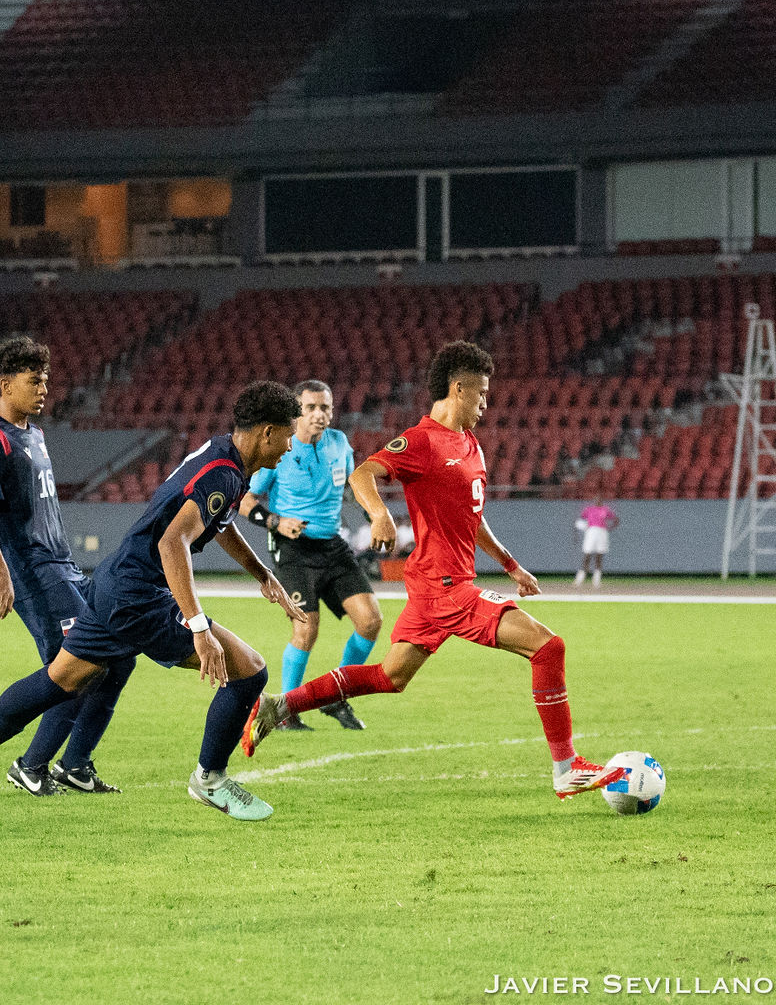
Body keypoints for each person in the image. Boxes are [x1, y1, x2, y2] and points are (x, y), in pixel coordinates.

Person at [243, 341, 626, 802]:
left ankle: (278, 705)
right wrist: (379, 515)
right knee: (549, 648)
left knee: (390, 677)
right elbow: (362, 474)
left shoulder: (471, 445)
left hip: (437, 587)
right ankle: (566, 769)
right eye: (481, 393)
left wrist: (510, 565)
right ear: (457, 388)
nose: (486, 403)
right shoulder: (421, 441)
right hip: (445, 587)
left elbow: (473, 517)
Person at [0, 380, 307, 823]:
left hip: (115, 583)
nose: (289, 446)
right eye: (288, 435)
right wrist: (200, 629)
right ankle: (210, 780)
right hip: (139, 595)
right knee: (248, 671)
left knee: (62, 680)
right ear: (266, 431)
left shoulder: (224, 456)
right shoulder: (224, 474)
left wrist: (263, 575)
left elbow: (218, 523)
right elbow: (174, 544)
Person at [0, 335, 131, 797]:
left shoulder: (35, 434)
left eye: (46, 380)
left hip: (63, 566)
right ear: (5, 384)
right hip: (35, 573)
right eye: (34, 381)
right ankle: (30, 766)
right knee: (77, 667)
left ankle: (75, 765)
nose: (44, 389)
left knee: (116, 657)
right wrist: (0, 571)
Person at [239, 380, 382, 733]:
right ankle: (286, 710)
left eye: (325, 408)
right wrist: (275, 522)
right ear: (297, 412)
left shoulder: (339, 444)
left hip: (331, 545)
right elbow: (245, 501)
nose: (319, 415)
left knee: (370, 621)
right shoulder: (280, 451)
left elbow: (355, 487)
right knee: (306, 627)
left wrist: (377, 518)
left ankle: (337, 695)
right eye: (311, 408)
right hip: (293, 548)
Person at [574, 496, 619, 588]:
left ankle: (596, 580)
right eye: (597, 499)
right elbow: (580, 520)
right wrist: (579, 531)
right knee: (587, 554)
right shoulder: (589, 509)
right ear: (594, 501)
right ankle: (579, 579)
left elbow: (616, 519)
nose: (598, 501)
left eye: (600, 499)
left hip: (602, 532)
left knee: (599, 555)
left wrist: (609, 528)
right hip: (591, 531)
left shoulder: (605, 510)